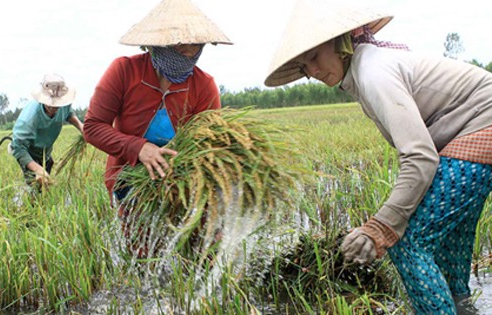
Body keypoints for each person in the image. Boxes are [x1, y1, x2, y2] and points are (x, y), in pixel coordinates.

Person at [264, 0, 492, 313]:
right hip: (476, 134)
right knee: (450, 242)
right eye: (304, 68)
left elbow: (421, 157)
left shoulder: (373, 71)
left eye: (315, 57)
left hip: (481, 129)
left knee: (409, 243)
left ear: (342, 40)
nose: (313, 71)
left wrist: (382, 227)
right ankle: (463, 307)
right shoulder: (367, 67)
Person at [83, 0, 232, 256]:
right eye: (179, 44)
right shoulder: (124, 71)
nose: (189, 51)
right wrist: (138, 148)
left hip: (181, 177)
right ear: (157, 44)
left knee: (201, 245)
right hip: (131, 178)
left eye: (196, 44)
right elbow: (93, 127)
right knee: (144, 251)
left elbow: (208, 148)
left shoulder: (204, 86)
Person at [10, 73, 84, 191]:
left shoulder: (63, 105)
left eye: (58, 103)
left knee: (46, 179)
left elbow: (68, 113)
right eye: (51, 103)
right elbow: (18, 148)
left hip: (45, 151)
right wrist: (37, 169)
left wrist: (81, 126)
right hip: (29, 152)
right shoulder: (29, 119)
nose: (54, 106)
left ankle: (43, 201)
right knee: (35, 187)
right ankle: (32, 204)